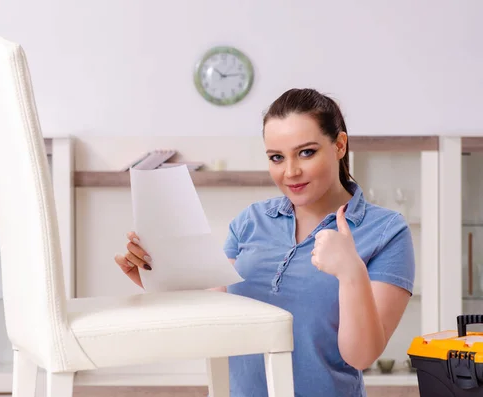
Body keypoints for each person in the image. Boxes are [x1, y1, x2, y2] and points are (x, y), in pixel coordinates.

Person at [114, 88, 415, 397]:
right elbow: (213, 310)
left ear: (339, 145)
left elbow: (361, 356)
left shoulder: (386, 231)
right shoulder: (251, 221)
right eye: (276, 157)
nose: (290, 171)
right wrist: (158, 279)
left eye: (306, 152)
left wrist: (351, 272)